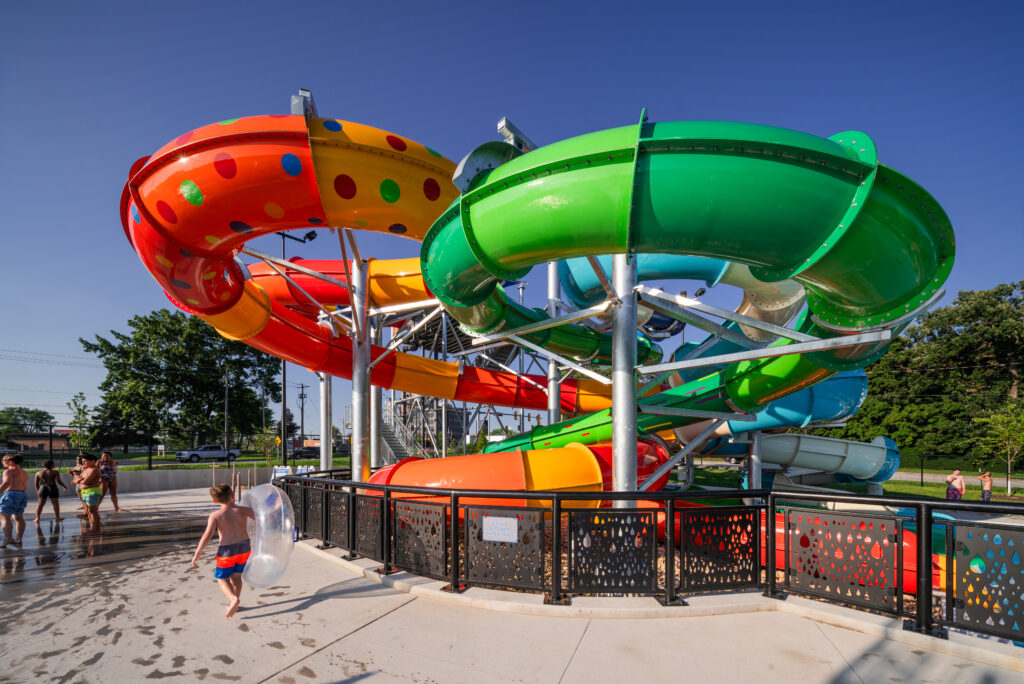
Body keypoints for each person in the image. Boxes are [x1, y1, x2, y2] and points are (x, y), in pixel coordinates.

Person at [191, 484, 254, 618]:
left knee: (222, 579)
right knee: (236, 577)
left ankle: (233, 599)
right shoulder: (244, 510)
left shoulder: (216, 515)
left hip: (227, 551)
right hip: (244, 547)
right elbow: (263, 519)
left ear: (214, 501)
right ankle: (235, 605)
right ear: (233, 496)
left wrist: (198, 552)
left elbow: (207, 535)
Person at [1, 454, 29, 548]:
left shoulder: (8, 471)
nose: (2, 462)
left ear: (11, 462)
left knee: (4, 516)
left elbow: (6, 483)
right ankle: (19, 538)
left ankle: (8, 537)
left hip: (11, 494)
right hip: (22, 494)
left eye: (3, 460)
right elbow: (24, 486)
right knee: (18, 517)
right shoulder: (24, 473)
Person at [72, 454, 103, 536]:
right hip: (85, 492)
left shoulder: (94, 470)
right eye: (82, 462)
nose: (84, 463)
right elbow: (76, 479)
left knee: (93, 511)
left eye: (85, 461)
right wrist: (78, 479)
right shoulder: (86, 470)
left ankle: (97, 530)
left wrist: (78, 480)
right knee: (89, 511)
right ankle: (93, 528)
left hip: (92, 491)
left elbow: (86, 481)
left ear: (93, 461)